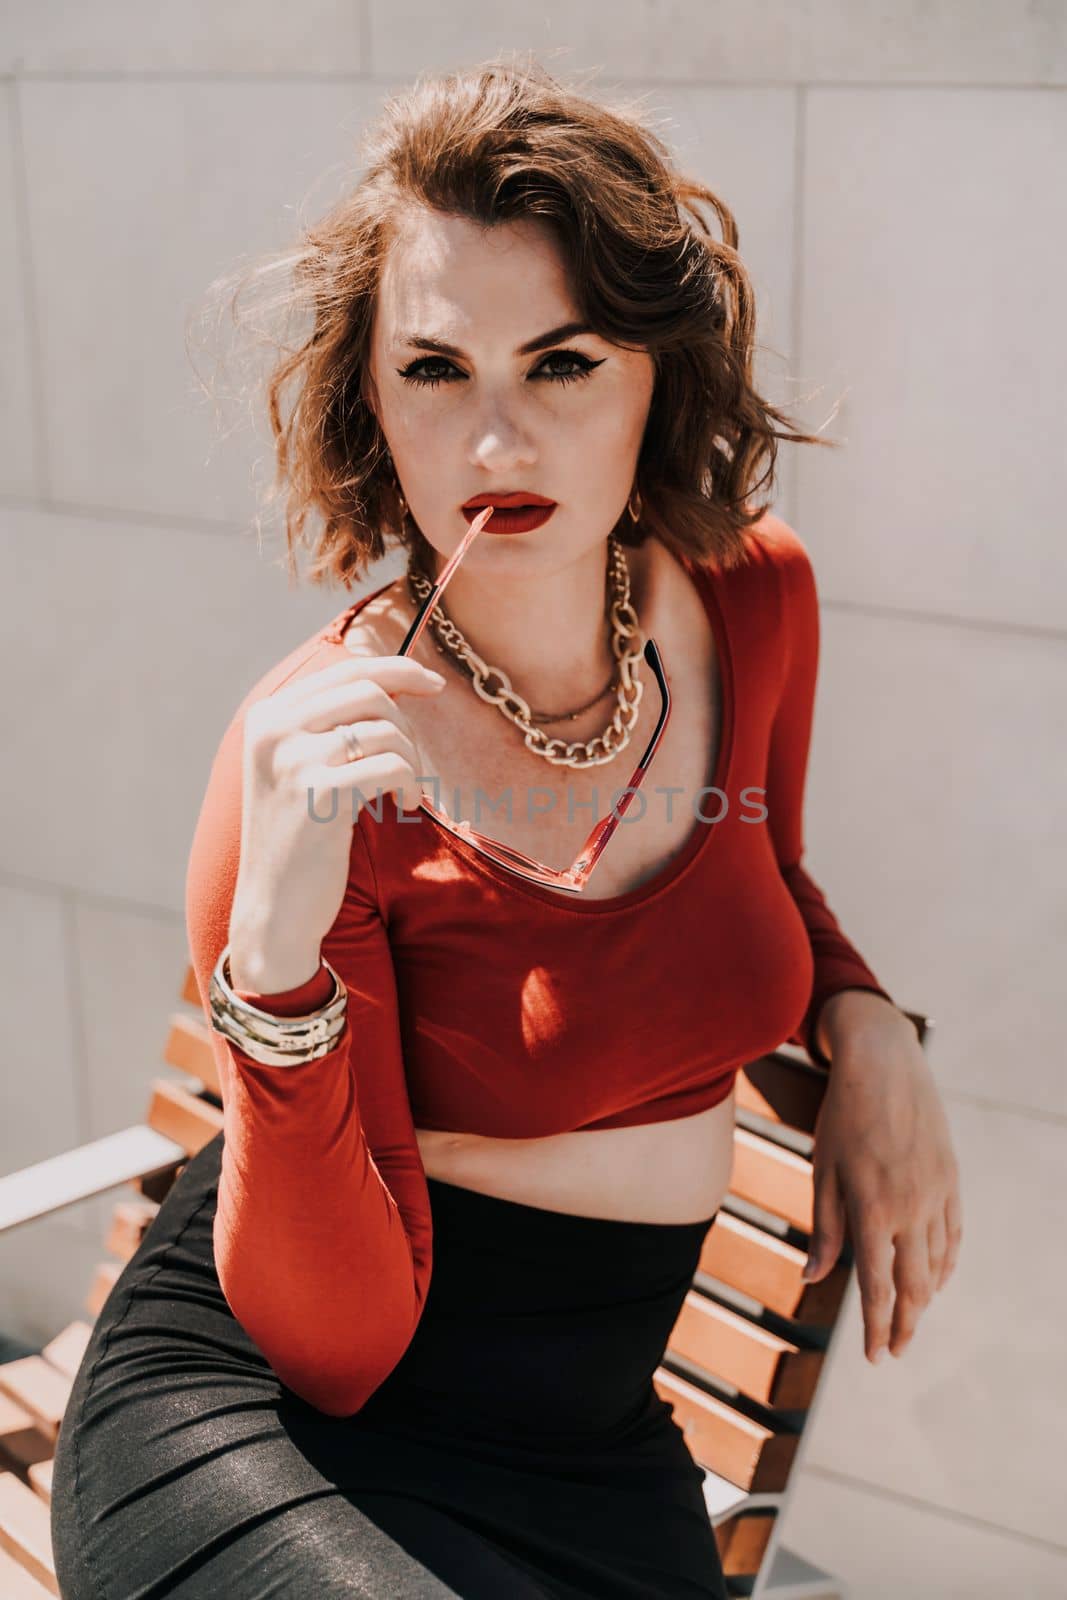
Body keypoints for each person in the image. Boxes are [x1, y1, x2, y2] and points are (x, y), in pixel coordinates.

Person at [49, 55, 962, 1600]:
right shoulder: (310, 764)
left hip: (593, 1451)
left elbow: (763, 867)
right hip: (270, 1424)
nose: (493, 444)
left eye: (561, 364)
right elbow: (335, 1352)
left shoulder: (754, 599)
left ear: (657, 373)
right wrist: (271, 968)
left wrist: (866, 1020)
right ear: (370, 398)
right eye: (435, 370)